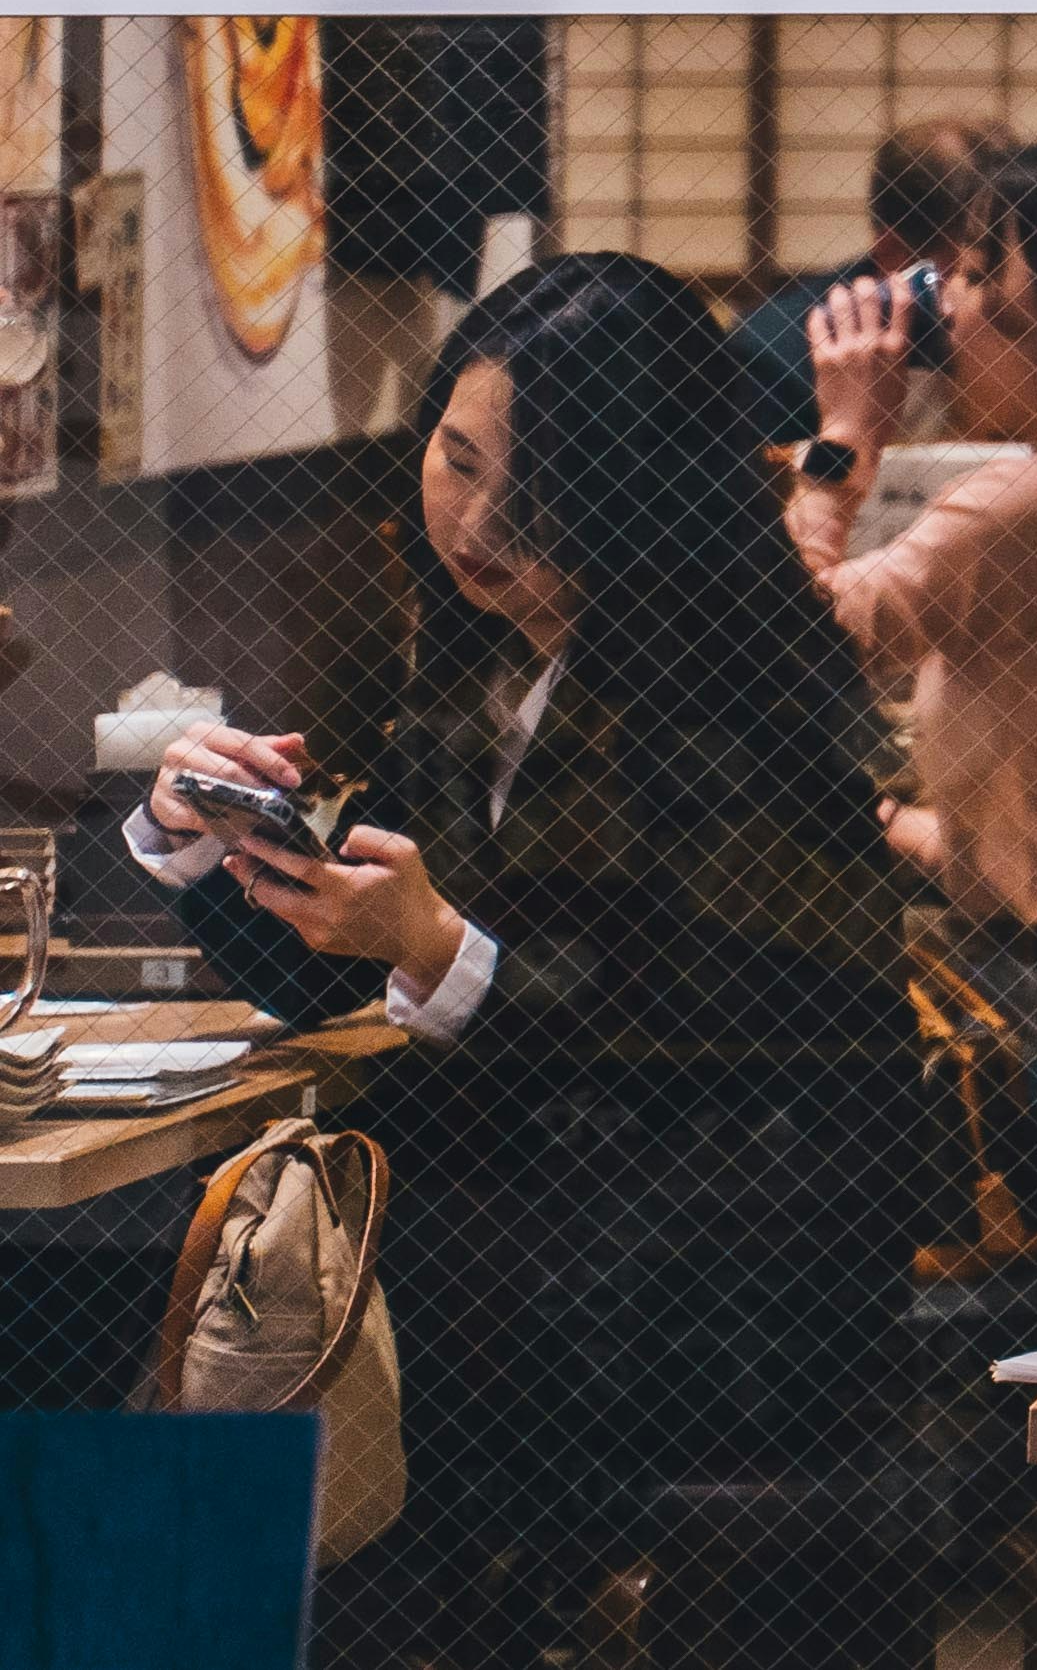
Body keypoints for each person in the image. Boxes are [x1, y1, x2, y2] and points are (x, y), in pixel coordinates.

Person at [135, 256, 922, 1669]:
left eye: (539, 489)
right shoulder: (490, 655)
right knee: (183, 1312)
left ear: (641, 494)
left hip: (694, 1298)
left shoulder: (731, 699)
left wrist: (444, 950)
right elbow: (362, 953)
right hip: (535, 1269)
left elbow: (741, 1025)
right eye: (455, 455)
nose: (481, 521)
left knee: (212, 1343)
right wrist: (198, 830)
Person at [793, 141, 1037, 1285]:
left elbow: (803, 641)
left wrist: (842, 437)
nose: (946, 301)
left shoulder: (1036, 495)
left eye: (976, 275)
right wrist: (885, 824)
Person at [723, 113, 1011, 443]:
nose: (998, 289)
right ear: (891, 253)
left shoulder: (1036, 330)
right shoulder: (772, 358)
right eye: (974, 271)